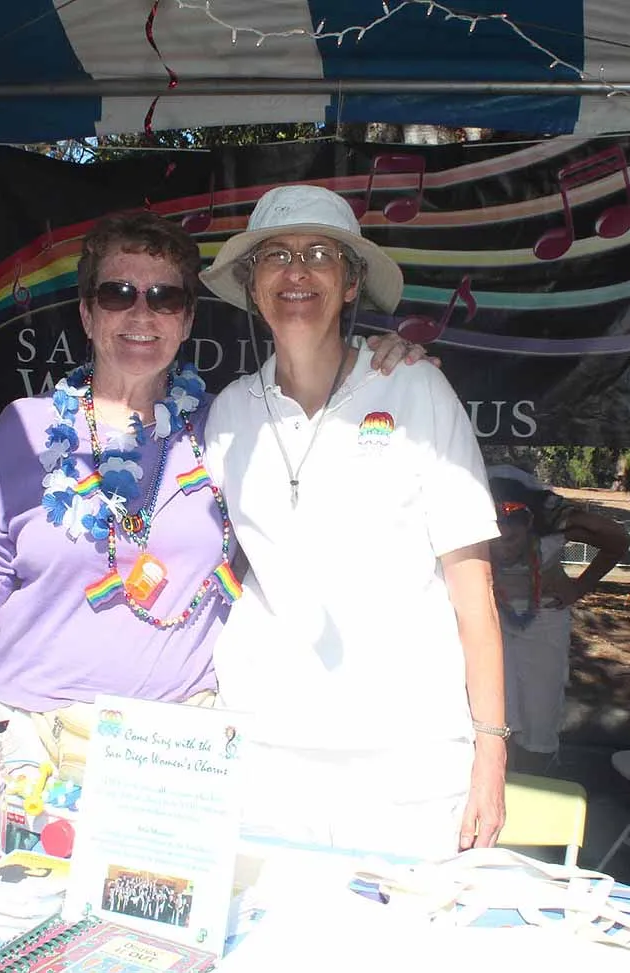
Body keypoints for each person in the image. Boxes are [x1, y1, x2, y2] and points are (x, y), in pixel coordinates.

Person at [0, 210, 424, 775]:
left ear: (186, 319)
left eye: (165, 297)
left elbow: (325, 450)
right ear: (87, 314)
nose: (141, 314)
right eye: (118, 293)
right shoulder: (25, 428)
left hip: (174, 746)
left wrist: (381, 370)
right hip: (33, 743)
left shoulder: (231, 424)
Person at [200, 184, 507, 858]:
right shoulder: (227, 414)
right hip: (266, 757)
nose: (297, 271)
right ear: (252, 285)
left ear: (349, 284)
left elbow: (474, 593)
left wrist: (491, 753)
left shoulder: (417, 388)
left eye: (320, 254)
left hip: (407, 764)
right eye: (276, 255)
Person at [488, 465, 628, 771]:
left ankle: (537, 771)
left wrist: (580, 587)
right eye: (496, 535)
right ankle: (501, 773)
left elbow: (617, 539)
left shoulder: (553, 527)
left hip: (544, 620)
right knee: (497, 706)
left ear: (530, 521)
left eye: (512, 536)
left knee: (540, 708)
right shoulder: (469, 525)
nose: (503, 545)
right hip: (492, 618)